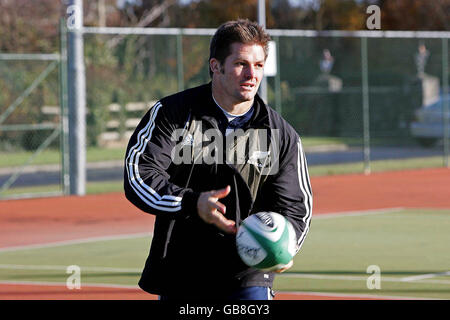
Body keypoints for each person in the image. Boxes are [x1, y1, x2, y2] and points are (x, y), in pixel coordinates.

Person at [124, 19, 312, 300]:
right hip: (182, 271)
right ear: (215, 66)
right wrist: (191, 202)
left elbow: (295, 207)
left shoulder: (281, 134)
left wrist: (286, 245)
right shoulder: (173, 114)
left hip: (248, 274)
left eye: (258, 65)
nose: (251, 74)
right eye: (241, 64)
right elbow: (139, 175)